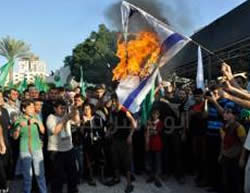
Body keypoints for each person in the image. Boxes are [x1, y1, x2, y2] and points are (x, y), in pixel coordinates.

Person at [13, 100, 47, 193]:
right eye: (30, 107)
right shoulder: (19, 120)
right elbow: (15, 137)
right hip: (24, 150)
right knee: (27, 175)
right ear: (24, 109)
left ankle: (43, 191)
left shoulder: (36, 117)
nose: (33, 109)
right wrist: (19, 127)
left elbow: (43, 131)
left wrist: (37, 122)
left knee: (40, 173)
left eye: (33, 107)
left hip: (37, 148)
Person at [46, 99, 79, 193]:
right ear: (55, 108)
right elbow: (55, 131)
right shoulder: (51, 118)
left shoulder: (66, 116)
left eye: (64, 108)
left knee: (73, 174)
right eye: (61, 108)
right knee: (57, 176)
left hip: (69, 149)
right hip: (56, 151)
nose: (63, 110)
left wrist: (74, 111)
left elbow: (77, 122)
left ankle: (73, 190)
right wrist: (65, 119)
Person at [107, 93, 137, 193]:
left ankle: (129, 184)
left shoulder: (125, 111)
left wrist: (130, 135)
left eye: (116, 100)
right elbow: (112, 124)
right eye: (113, 100)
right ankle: (117, 178)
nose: (114, 103)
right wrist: (109, 131)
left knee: (126, 162)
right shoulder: (113, 111)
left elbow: (134, 123)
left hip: (125, 140)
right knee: (115, 160)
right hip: (115, 139)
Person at [219, 107, 246, 193]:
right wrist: (220, 154)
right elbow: (223, 142)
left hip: (235, 158)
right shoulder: (223, 126)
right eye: (224, 112)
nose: (225, 114)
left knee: (235, 180)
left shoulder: (239, 127)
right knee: (225, 179)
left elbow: (244, 144)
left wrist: (242, 158)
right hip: (225, 156)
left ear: (234, 115)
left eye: (228, 112)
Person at [80, 103, 106, 186]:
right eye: (84, 109)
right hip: (87, 143)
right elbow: (81, 133)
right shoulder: (81, 119)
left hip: (97, 143)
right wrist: (83, 124)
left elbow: (103, 131)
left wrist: (100, 139)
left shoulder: (98, 118)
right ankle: (91, 178)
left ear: (91, 109)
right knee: (89, 161)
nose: (86, 110)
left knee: (100, 160)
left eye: (88, 109)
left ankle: (102, 177)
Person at [145, 109, 163, 187]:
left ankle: (157, 178)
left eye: (156, 114)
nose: (154, 115)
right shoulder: (150, 123)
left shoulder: (160, 123)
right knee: (151, 161)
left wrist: (150, 126)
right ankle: (152, 176)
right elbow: (147, 133)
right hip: (151, 144)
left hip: (157, 144)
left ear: (158, 115)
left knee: (157, 162)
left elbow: (156, 132)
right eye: (153, 114)